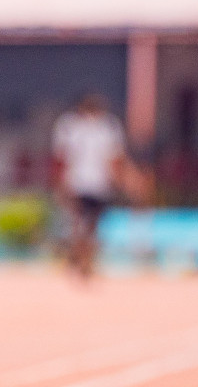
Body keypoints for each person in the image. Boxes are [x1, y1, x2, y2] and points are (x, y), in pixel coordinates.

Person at [51, 93, 126, 279]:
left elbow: (62, 159)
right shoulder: (102, 127)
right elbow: (114, 159)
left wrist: (60, 182)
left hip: (86, 182)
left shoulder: (81, 126)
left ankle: (81, 259)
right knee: (86, 225)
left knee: (83, 225)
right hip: (86, 182)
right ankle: (83, 260)